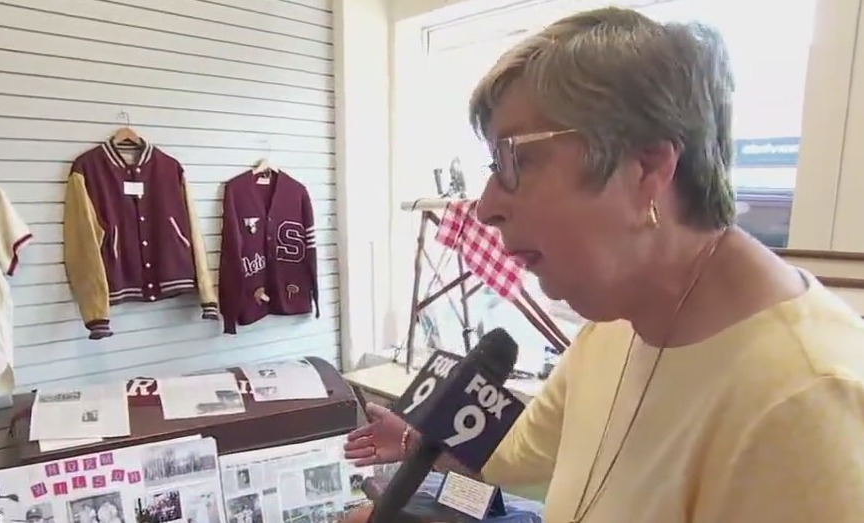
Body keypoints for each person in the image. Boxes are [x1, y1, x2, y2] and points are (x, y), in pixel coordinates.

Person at [343, 6, 864, 523]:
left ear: (647, 167)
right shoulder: (618, 324)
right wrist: (415, 440)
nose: (484, 207)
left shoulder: (809, 407)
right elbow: (518, 454)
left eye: (515, 160)